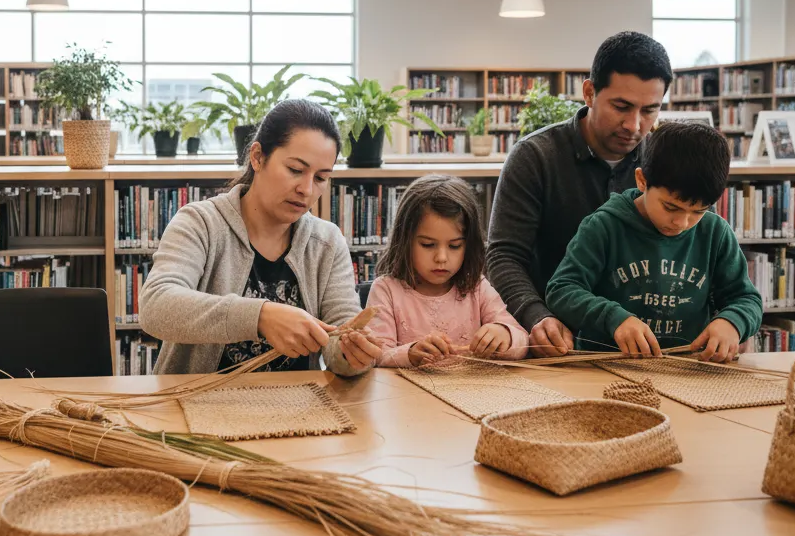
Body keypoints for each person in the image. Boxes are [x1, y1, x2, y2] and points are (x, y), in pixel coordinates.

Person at [140, 98, 380, 376]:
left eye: (320, 178)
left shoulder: (326, 242)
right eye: (295, 170)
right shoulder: (200, 223)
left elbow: (339, 342)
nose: (306, 189)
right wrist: (261, 316)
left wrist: (354, 356)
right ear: (257, 157)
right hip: (197, 405)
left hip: (295, 410)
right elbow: (156, 306)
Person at [486, 31, 674, 356]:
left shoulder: (669, 159)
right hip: (559, 345)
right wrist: (536, 316)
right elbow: (504, 257)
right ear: (589, 92)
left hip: (648, 349)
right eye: (621, 106)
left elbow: (703, 244)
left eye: (649, 111)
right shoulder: (535, 157)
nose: (634, 125)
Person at [545, 122, 763, 361]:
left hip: (687, 369)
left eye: (698, 211)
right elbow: (562, 290)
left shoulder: (715, 233)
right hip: (606, 367)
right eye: (671, 207)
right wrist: (614, 318)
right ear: (641, 180)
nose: (682, 222)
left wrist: (732, 322)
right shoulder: (604, 226)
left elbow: (746, 299)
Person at [367, 175, 528, 367]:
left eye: (454, 246)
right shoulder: (386, 290)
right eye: (428, 245)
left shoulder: (476, 287)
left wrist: (505, 334)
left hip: (473, 393)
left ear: (469, 245)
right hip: (408, 395)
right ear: (404, 241)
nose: (441, 258)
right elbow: (374, 356)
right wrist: (409, 354)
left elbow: (523, 341)